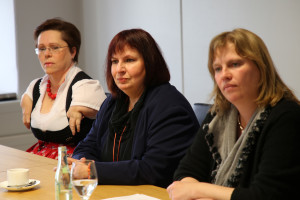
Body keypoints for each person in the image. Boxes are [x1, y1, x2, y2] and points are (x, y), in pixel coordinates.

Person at [167, 28, 300, 200]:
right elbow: (186, 171)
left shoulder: (287, 117)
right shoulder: (219, 115)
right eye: (217, 68)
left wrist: (196, 190)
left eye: (235, 64)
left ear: (261, 68)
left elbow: (267, 195)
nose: (224, 75)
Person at [68, 28, 200, 188]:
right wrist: (80, 163)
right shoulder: (113, 102)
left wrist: (90, 170)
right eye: (114, 61)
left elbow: (152, 170)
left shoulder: (169, 105)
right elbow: (88, 144)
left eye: (129, 60)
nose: (119, 69)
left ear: (150, 63)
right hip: (116, 191)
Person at [20, 18, 106, 159]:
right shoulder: (36, 87)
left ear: (73, 51)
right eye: (41, 49)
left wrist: (81, 109)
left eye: (54, 47)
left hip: (75, 161)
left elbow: (100, 110)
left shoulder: (85, 86)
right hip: (41, 156)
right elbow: (26, 96)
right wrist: (25, 100)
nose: (47, 54)